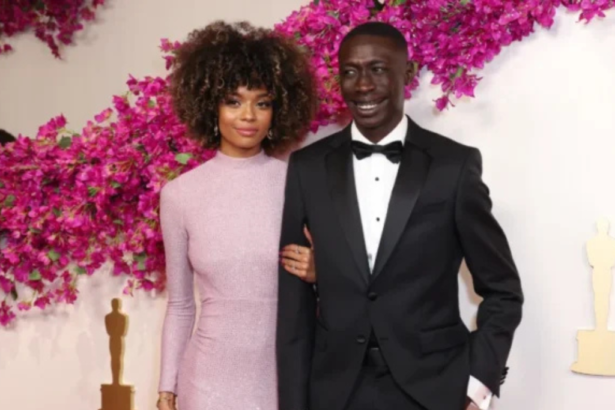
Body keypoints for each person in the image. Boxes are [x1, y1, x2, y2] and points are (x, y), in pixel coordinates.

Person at [276, 22, 524, 410]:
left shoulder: (454, 166)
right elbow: (294, 308)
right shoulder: (307, 167)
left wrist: (478, 386)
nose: (362, 85)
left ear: (406, 74)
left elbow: (503, 291)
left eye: (377, 69)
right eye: (350, 71)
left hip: (434, 391)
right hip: (335, 392)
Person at [157, 21, 318, 410]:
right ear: (210, 106)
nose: (248, 115)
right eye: (233, 101)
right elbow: (180, 304)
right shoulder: (179, 195)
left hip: (285, 380)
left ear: (278, 110)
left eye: (262, 103)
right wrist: (166, 388)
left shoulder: (300, 186)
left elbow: (345, 290)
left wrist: (322, 272)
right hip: (206, 384)